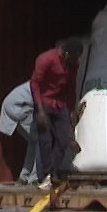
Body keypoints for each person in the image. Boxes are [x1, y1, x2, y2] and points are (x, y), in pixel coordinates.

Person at [30, 37, 84, 190]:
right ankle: (48, 175)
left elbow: (71, 87)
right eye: (74, 58)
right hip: (44, 102)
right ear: (66, 54)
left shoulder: (74, 64)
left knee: (63, 139)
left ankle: (52, 174)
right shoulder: (46, 59)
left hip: (60, 104)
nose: (76, 61)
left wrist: (72, 110)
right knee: (45, 140)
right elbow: (35, 83)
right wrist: (39, 110)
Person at [0, 80, 42, 185]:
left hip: (12, 105)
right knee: (41, 140)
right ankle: (34, 178)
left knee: (34, 141)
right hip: (17, 107)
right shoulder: (46, 85)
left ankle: (24, 177)